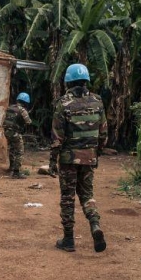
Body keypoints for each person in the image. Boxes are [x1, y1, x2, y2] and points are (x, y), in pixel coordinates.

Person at [49, 63, 108, 253]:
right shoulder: (97, 102)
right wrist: (95, 154)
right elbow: (103, 134)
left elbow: (57, 136)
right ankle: (95, 224)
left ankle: (68, 239)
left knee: (68, 198)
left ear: (68, 81)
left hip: (68, 160)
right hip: (89, 158)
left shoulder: (64, 103)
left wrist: (52, 161)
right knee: (87, 195)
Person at [3, 92, 32, 179]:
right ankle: (16, 172)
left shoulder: (10, 108)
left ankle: (11, 167)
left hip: (7, 132)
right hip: (15, 133)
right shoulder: (22, 110)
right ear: (26, 102)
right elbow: (29, 122)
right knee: (19, 151)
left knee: (12, 149)